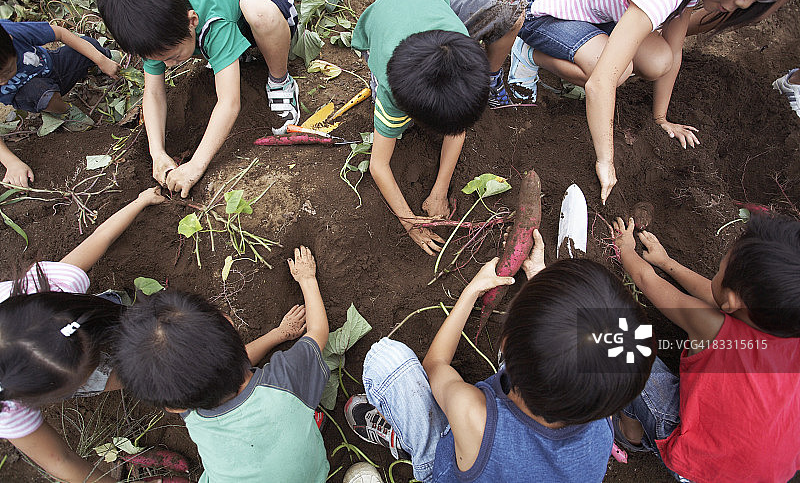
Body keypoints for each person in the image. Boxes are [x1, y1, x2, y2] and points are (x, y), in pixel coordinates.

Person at [345, 230, 653, 482]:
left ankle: (416, 452)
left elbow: (435, 364)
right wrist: (537, 274)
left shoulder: (473, 415)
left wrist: (471, 291)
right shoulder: (600, 420)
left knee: (385, 360)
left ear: (504, 343)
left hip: (464, 454)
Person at [511, 0, 800, 204]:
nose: (747, 3)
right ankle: (527, 53)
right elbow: (600, 83)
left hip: (596, 15)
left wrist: (661, 120)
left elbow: (673, 54)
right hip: (545, 10)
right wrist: (606, 161)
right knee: (615, 71)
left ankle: (584, 49)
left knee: (658, 59)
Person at [114, 246, 330, 483]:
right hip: (312, 474)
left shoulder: (190, 411)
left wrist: (278, 334)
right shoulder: (286, 381)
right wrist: (307, 279)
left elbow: (218, 369)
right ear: (229, 322)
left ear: (174, 408)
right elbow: (318, 332)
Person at [612, 214, 800, 482]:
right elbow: (718, 297)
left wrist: (626, 249)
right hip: (761, 470)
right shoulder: (788, 326)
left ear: (734, 301)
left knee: (616, 337)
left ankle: (630, 434)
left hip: (694, 463)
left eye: (721, 268)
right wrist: (668, 262)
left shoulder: (712, 328)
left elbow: (646, 280)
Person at [0, 186, 165, 483]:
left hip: (66, 325)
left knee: (118, 317)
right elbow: (61, 460)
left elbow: (100, 238)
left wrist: (140, 200)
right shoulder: (7, 409)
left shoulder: (46, 289)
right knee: (126, 374)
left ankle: (120, 311)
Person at [351, 0, 524, 255]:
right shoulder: (393, 93)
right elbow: (378, 166)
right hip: (378, 28)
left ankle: (493, 79)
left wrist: (440, 191)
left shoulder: (457, 42)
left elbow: (456, 129)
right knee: (392, 119)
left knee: (512, 8)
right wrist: (409, 223)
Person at [96, 0, 299, 198]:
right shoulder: (152, 32)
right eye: (163, 60)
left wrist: (195, 166)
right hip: (232, 24)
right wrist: (157, 152)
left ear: (192, 20)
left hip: (271, 8)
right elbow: (153, 93)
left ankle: (280, 80)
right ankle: (231, 52)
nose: (170, 65)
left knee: (259, 12)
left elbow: (229, 103)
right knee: (213, 48)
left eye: (173, 57)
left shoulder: (212, 20)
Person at [0, 20, 120, 187]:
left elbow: (61, 33)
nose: (3, 82)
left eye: (7, 72)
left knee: (89, 44)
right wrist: (12, 163)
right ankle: (64, 111)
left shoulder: (13, 32)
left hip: (52, 67)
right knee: (41, 94)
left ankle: (103, 62)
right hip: (31, 94)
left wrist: (100, 59)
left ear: (11, 40)